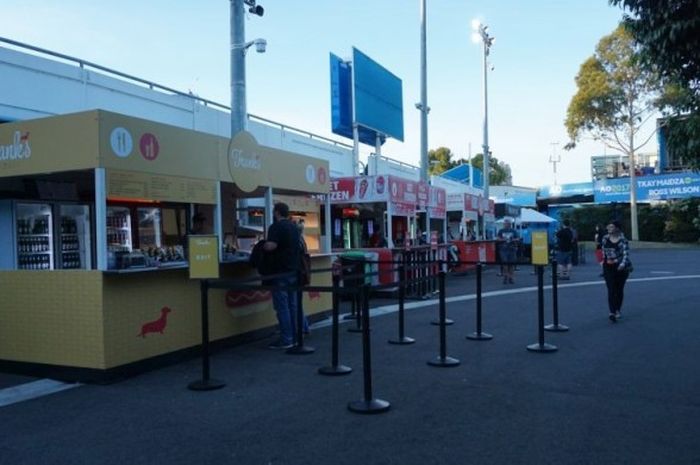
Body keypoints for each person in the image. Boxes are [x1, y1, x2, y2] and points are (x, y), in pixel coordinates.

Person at [263, 202, 302, 349]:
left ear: (277, 212)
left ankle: (286, 338)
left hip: (280, 271)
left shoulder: (276, 227)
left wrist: (263, 245)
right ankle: (296, 336)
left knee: (282, 306)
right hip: (294, 269)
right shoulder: (294, 227)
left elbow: (271, 246)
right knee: (293, 305)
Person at [601, 220, 631, 322]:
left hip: (620, 267)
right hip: (608, 266)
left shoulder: (623, 240)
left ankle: (618, 309)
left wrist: (622, 264)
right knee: (611, 288)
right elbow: (602, 250)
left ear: (617, 228)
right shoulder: (605, 238)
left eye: (612, 227)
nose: (609, 229)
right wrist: (602, 261)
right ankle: (612, 312)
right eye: (608, 227)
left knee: (619, 289)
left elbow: (626, 254)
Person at [496, 217, 519, 284]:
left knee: (511, 264)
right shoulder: (501, 231)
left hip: (512, 249)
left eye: (507, 223)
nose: (505, 224)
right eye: (505, 223)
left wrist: (513, 240)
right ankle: (506, 276)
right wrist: (503, 240)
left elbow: (517, 238)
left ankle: (511, 277)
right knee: (505, 263)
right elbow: (498, 239)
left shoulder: (513, 231)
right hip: (503, 249)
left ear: (509, 224)